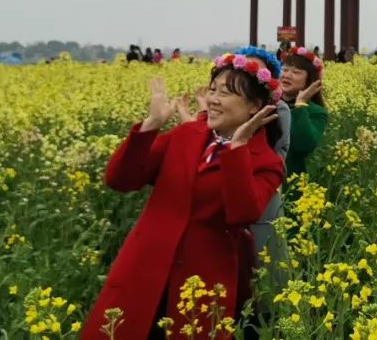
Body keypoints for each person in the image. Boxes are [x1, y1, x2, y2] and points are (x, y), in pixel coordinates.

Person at [81, 47, 285, 340]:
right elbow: (120, 180)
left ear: (254, 106)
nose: (212, 100)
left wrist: (237, 150)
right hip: (143, 268)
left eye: (225, 93)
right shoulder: (186, 135)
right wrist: (151, 125)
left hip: (202, 282)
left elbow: (242, 213)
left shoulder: (265, 161)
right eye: (212, 89)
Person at [279, 48, 329, 180]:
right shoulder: (267, 104)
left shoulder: (316, 112)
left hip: (290, 182)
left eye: (296, 72)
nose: (287, 75)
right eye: (284, 70)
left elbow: (304, 145)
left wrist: (300, 104)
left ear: (309, 81)